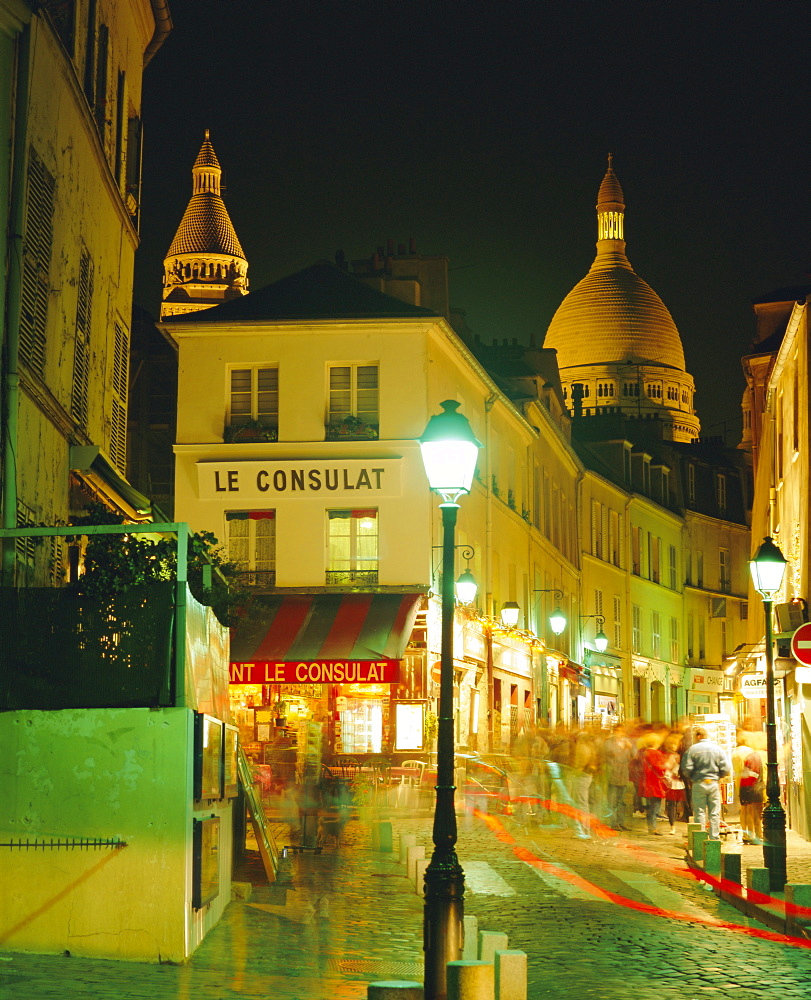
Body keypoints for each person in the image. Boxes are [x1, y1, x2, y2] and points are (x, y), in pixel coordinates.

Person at [680, 726, 732, 840]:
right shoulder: (717, 749)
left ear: (698, 736)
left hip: (699, 783)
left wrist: (692, 777)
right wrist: (719, 776)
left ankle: (701, 838)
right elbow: (726, 767)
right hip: (713, 783)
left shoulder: (692, 750)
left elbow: (686, 768)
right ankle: (714, 837)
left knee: (699, 812)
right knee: (714, 812)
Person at [602, 724, 634, 831]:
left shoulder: (627, 742)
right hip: (613, 773)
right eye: (616, 731)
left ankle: (621, 822)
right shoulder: (608, 742)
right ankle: (613, 822)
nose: (618, 733)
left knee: (622, 801)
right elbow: (608, 754)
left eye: (620, 731)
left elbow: (634, 755)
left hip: (624, 773)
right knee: (612, 800)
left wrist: (630, 747)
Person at [638, 733, 669, 835]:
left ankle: (651, 826)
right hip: (655, 782)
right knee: (655, 806)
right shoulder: (656, 753)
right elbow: (660, 767)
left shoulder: (643, 752)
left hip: (646, 781)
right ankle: (653, 828)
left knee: (650, 805)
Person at [738, 744, 765, 844]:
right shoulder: (756, 757)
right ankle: (758, 835)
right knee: (756, 813)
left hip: (747, 786)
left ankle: (749, 835)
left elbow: (746, 774)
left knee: (748, 811)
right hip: (755, 786)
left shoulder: (749, 757)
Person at [662, 733, 686, 836]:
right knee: (673, 805)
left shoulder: (674, 755)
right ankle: (673, 826)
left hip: (676, 782)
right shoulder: (673, 756)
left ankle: (674, 826)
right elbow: (667, 768)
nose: (673, 746)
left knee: (674, 805)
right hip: (674, 783)